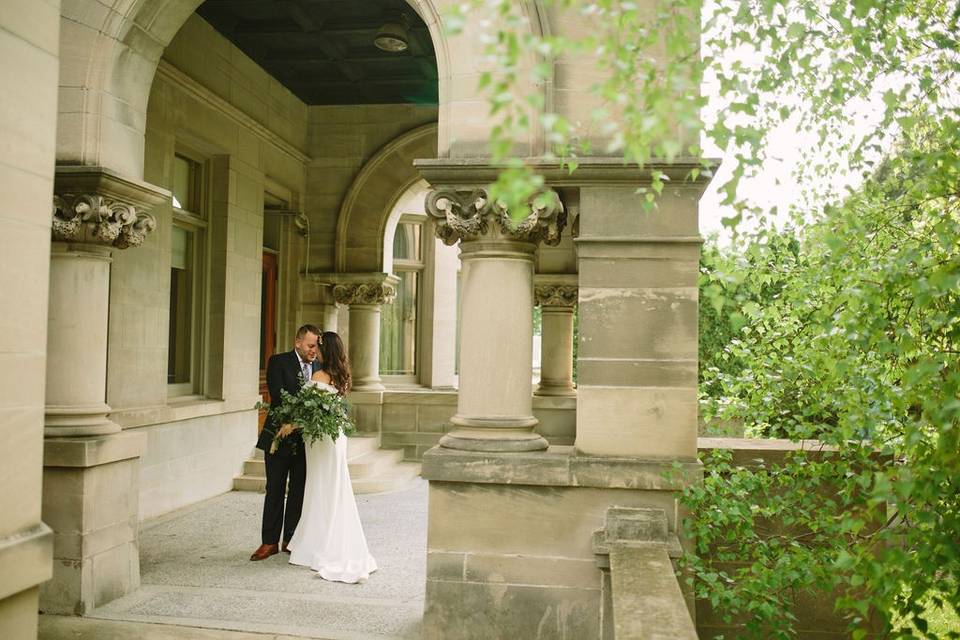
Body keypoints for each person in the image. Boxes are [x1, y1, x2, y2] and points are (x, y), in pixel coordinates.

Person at [282, 331, 377, 583]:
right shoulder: (342, 377)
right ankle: (325, 536)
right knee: (334, 486)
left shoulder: (319, 376)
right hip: (334, 437)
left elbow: (309, 412)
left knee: (320, 485)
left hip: (321, 440)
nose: (316, 351)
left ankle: (319, 543)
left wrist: (292, 425)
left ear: (326, 350)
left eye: (319, 347)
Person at [249, 324, 321, 562]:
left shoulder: (320, 367)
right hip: (278, 437)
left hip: (304, 441)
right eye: (311, 345)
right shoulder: (278, 362)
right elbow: (280, 397)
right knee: (275, 489)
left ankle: (291, 539)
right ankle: (269, 542)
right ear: (298, 342)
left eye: (317, 346)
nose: (314, 350)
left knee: (299, 490)